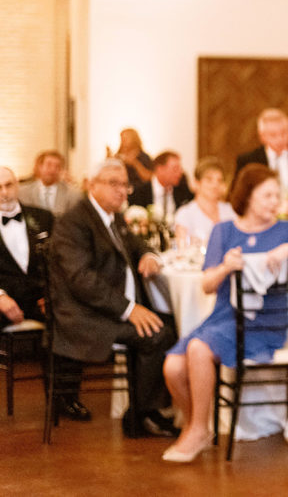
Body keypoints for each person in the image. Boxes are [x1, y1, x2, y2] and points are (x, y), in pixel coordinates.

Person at [161, 163, 288, 462]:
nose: (275, 202)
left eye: (277, 195)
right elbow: (208, 285)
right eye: (267, 196)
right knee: (172, 367)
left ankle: (197, 431)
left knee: (198, 349)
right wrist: (226, 266)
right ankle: (198, 424)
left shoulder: (287, 229)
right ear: (247, 197)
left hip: (263, 323)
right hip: (224, 317)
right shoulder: (223, 231)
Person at [49, 158, 177, 434]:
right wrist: (130, 310)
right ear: (91, 185)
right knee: (157, 334)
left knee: (173, 324)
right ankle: (142, 418)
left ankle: (146, 410)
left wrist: (148, 254)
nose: (121, 191)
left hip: (111, 309)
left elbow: (134, 241)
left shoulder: (113, 217)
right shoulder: (73, 222)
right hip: (84, 316)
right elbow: (83, 281)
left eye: (125, 185)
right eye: (113, 184)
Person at [0, 167, 52, 327]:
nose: (4, 193)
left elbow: (62, 260)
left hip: (44, 300)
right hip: (4, 302)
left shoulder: (44, 217)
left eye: (8, 185)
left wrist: (53, 296)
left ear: (17, 185)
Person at [235, 108, 288, 192]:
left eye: (284, 133)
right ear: (262, 137)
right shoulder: (248, 161)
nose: (280, 139)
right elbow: (237, 196)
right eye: (273, 135)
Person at [172, 157, 235, 246]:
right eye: (209, 180)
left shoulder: (230, 211)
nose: (215, 185)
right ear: (196, 183)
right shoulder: (185, 214)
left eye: (219, 180)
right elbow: (182, 249)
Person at [127, 150, 193, 218]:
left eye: (180, 169)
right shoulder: (140, 192)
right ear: (160, 169)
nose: (180, 172)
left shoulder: (183, 191)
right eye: (175, 169)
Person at [19, 150, 82, 216]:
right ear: (40, 167)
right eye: (49, 165)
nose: (52, 170)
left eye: (57, 166)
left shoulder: (72, 194)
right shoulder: (23, 192)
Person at [110, 128, 153, 192]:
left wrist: (135, 163)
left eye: (126, 138)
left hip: (139, 191)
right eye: (122, 138)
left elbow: (149, 177)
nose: (124, 141)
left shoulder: (143, 157)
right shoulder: (117, 156)